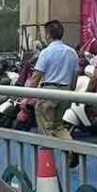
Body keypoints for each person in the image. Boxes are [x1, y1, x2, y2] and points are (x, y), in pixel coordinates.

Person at [27, 20, 80, 164]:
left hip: (48, 92)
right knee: (59, 126)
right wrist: (71, 93)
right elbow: (75, 76)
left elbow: (36, 76)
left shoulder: (46, 52)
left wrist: (28, 96)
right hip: (65, 93)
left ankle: (47, 162)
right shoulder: (72, 53)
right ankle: (72, 149)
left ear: (48, 35)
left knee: (45, 128)